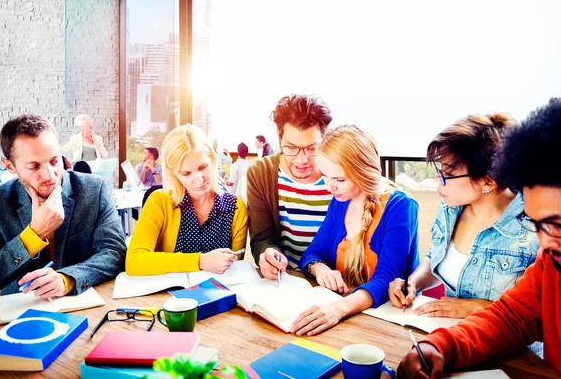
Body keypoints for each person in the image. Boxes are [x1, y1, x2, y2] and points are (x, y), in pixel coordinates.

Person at [398, 98, 561, 379]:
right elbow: (513, 318)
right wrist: (438, 346)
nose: (544, 244)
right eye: (536, 224)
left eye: (555, 225)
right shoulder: (553, 259)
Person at [388, 113, 539, 319]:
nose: (437, 179)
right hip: (451, 336)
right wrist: (412, 283)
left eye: (448, 175)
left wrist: (475, 308)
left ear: (488, 181)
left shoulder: (536, 229)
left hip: (512, 349)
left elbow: (543, 314)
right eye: (440, 170)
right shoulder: (450, 207)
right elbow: (435, 258)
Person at [291, 124, 420, 336]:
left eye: (339, 179)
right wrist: (320, 269)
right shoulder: (341, 199)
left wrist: (336, 310)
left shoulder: (401, 206)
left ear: (363, 172)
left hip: (384, 323)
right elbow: (313, 252)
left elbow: (386, 279)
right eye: (325, 175)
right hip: (347, 317)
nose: (329, 187)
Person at [0, 114, 126, 299]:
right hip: (20, 311)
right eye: (34, 167)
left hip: (83, 302)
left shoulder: (95, 189)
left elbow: (114, 252)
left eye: (54, 161)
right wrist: (33, 235)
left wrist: (67, 279)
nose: (50, 175)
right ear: (10, 166)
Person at [126, 124, 248, 276]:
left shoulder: (236, 208)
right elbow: (134, 261)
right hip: (166, 297)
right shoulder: (159, 202)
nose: (199, 179)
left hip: (219, 295)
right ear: (173, 174)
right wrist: (200, 261)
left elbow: (236, 270)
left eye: (203, 167)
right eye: (186, 173)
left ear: (212, 159)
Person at [248, 93, 333, 280]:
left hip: (337, 281)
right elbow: (262, 238)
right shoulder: (261, 173)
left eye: (312, 148)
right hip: (286, 280)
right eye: (291, 148)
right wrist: (266, 254)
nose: (301, 160)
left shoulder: (340, 174)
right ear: (279, 141)